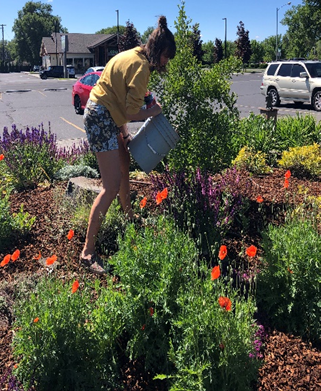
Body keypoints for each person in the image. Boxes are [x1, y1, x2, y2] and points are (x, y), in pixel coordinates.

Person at [80, 15, 176, 274]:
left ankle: (128, 215)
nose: (167, 62)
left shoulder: (133, 54)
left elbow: (117, 95)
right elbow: (132, 112)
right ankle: (87, 252)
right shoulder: (142, 68)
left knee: (124, 163)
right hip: (101, 117)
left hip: (106, 112)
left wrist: (124, 135)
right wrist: (155, 111)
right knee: (110, 186)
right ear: (158, 51)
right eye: (167, 57)